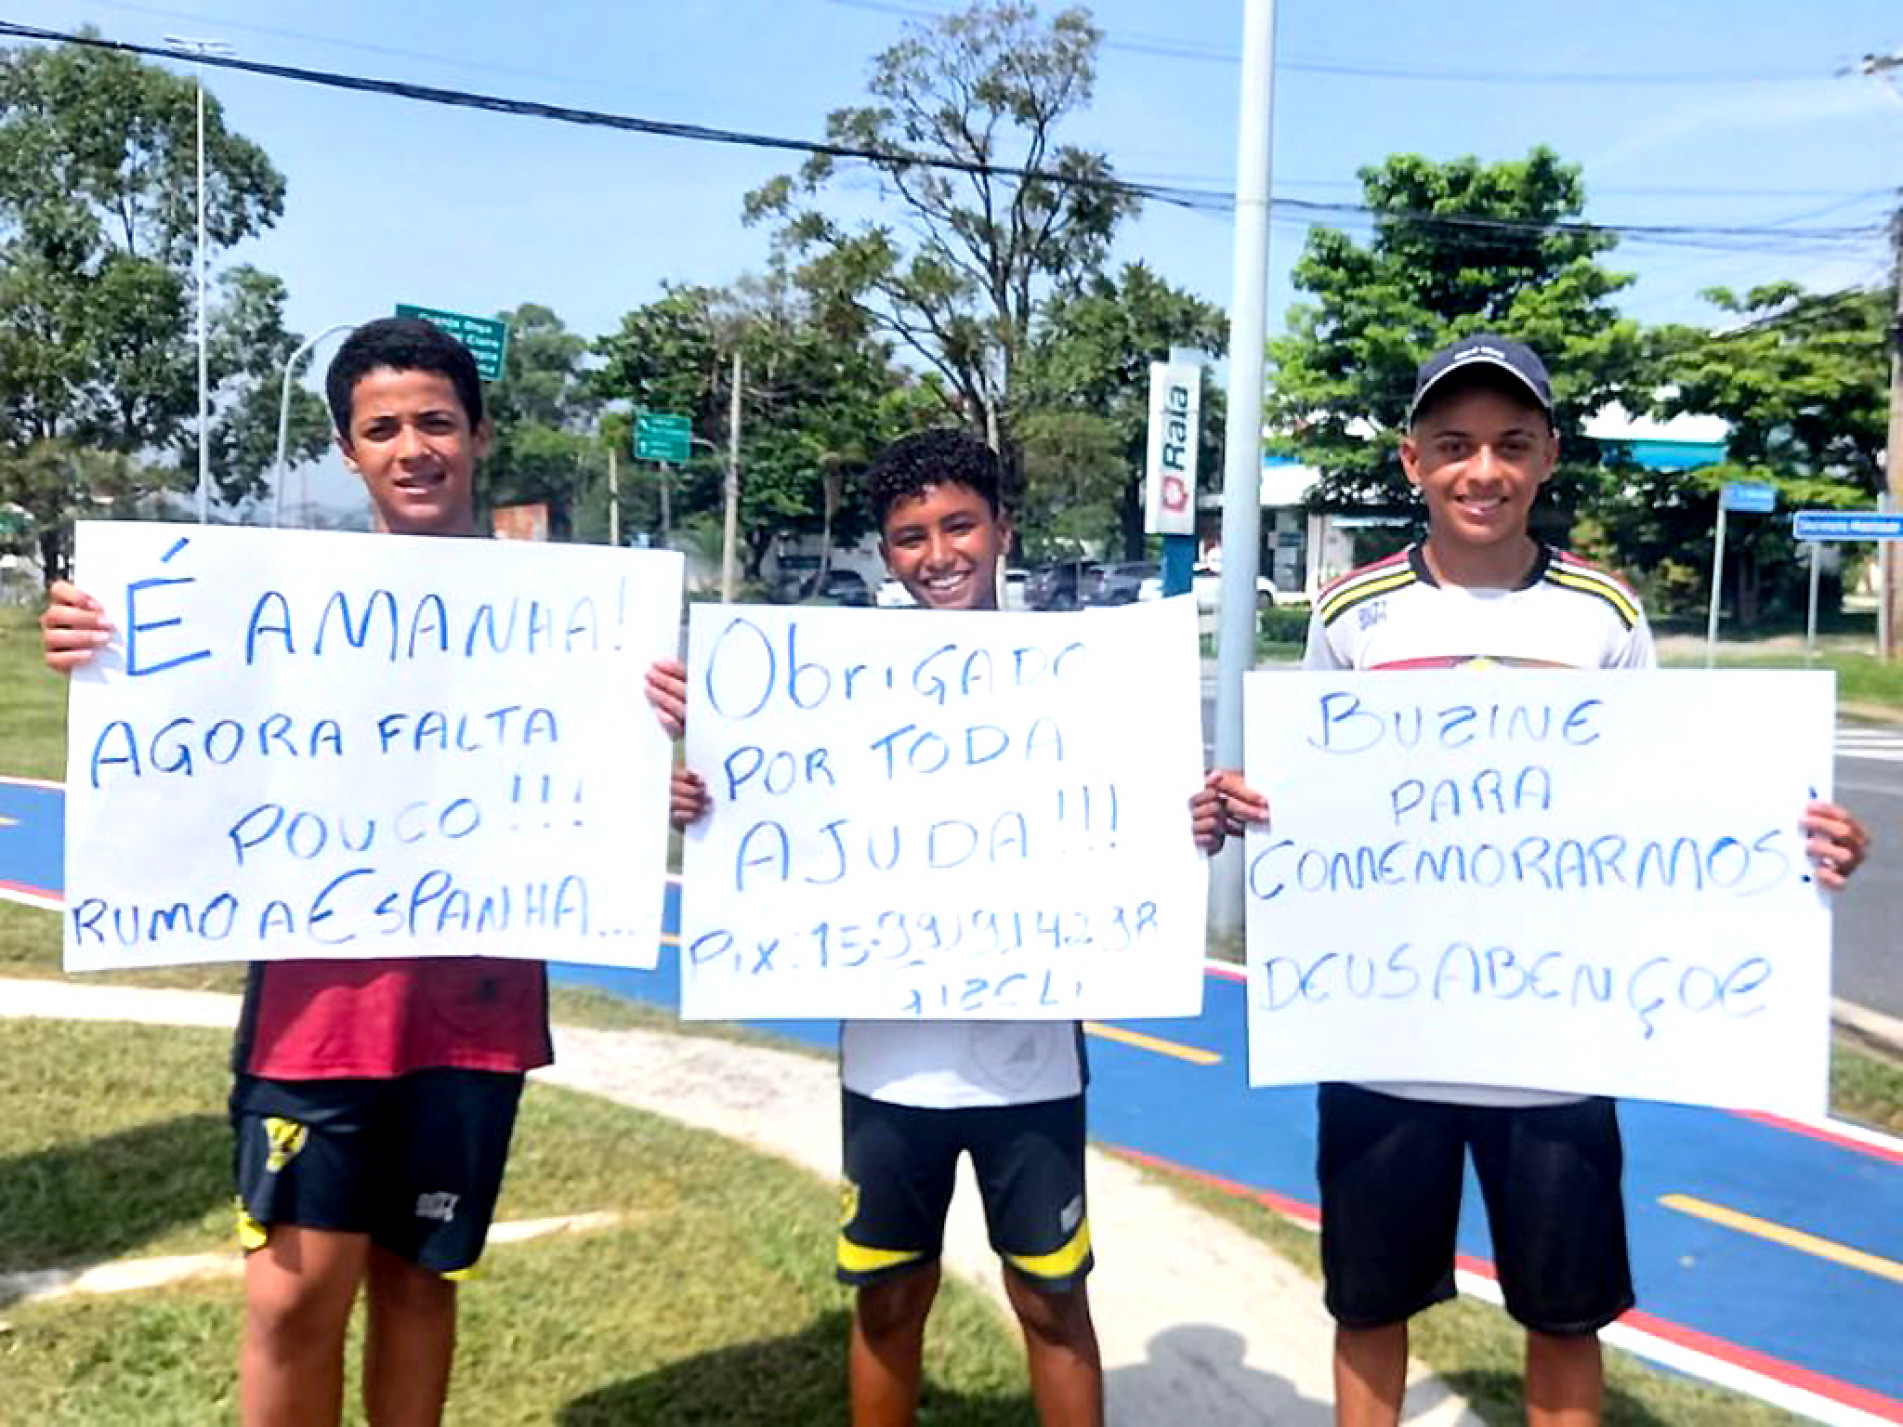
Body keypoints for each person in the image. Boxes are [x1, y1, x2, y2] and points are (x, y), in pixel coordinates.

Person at [1208, 333, 1867, 1427]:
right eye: (1455, 444)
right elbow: (1306, 794)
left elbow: (1662, 800)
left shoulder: (1601, 613)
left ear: (1549, 455)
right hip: (1385, 1036)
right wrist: (1247, 804)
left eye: (1512, 444)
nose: (1484, 469)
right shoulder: (1349, 613)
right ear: (1412, 460)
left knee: (1565, 1317)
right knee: (1368, 1306)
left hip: (1556, 1049)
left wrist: (1800, 837)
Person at [42, 316, 685, 1427]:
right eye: (381, 427)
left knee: (420, 1280)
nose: (412, 446)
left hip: (472, 1014)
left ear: (479, 434)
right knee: (294, 1297)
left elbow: (621, 785)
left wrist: (665, 769)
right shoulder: (259, 596)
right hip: (316, 1016)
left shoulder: (581, 622)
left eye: (436, 420)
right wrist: (94, 643)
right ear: (348, 450)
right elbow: (174, 718)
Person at [668, 428, 1231, 1427]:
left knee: (1052, 1296)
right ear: (886, 552)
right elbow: (761, 804)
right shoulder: (827, 682)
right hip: (890, 1066)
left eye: (959, 524)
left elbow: (1141, 809)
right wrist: (703, 785)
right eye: (909, 534)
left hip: (1030, 1067)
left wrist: (1185, 820)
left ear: (1002, 529)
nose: (939, 553)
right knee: (888, 1296)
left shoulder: (1088, 675)